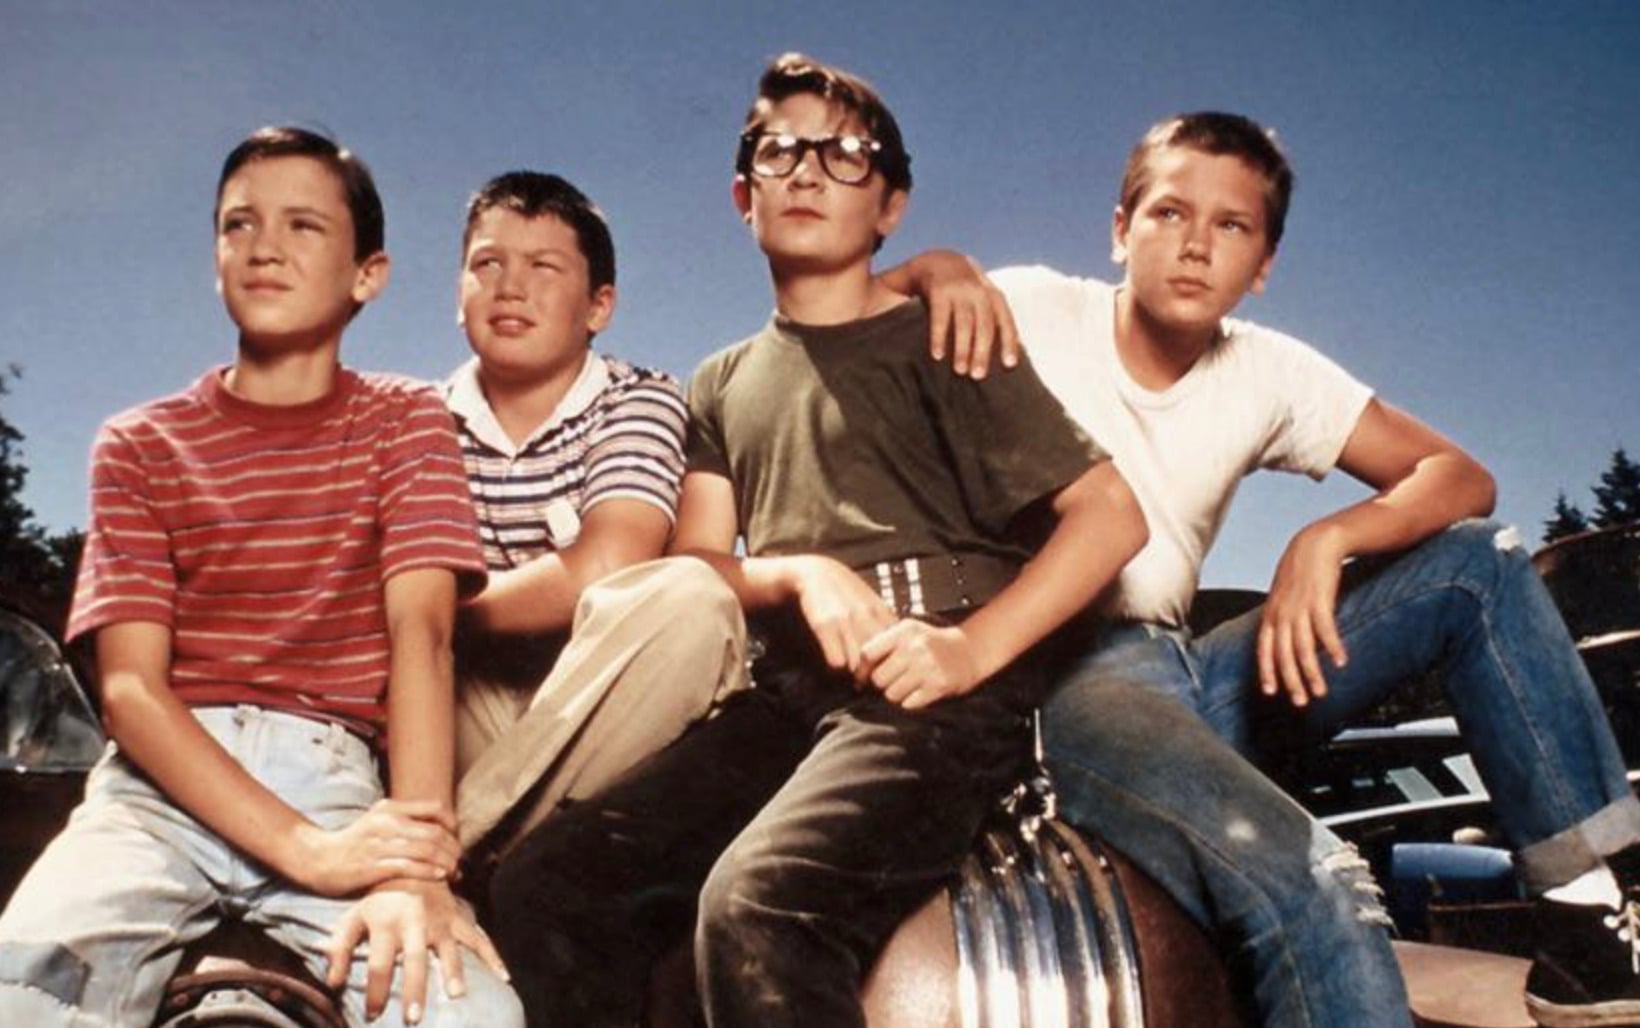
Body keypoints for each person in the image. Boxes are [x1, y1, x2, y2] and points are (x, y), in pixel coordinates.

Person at [900, 111, 1640, 1027]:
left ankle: (1584, 922)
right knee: (1323, 879)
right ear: (1120, 229)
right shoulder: (1037, 305)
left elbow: (1463, 477)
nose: (1195, 246)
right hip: (1068, 680)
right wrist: (935, 268)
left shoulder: (1268, 371)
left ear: (1264, 266)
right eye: (1169, 214)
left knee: (1476, 567)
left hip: (1194, 673)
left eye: (1232, 226)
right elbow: (848, 324)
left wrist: (1326, 540)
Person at [484, 53, 1147, 1027]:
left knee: (757, 905)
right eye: (779, 150)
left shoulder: (942, 332)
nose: (805, 169)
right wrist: (797, 572)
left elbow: (1109, 515)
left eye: (844, 155)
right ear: (741, 195)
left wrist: (967, 650)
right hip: (785, 691)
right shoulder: (718, 382)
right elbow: (702, 560)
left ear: (890, 207)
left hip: (933, 688)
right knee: (548, 880)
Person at [0, 127, 523, 1028]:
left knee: (469, 1016)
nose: (264, 246)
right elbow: (129, 689)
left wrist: (413, 870)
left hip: (335, 778)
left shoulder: (408, 422)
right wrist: (304, 854)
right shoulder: (139, 442)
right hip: (159, 790)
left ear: (369, 274)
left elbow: (424, 638)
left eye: (303, 226)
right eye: (238, 224)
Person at [441, 171, 748, 871]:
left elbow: (609, 562)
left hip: (613, 709)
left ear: (599, 305)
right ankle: (511, 853)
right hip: (475, 712)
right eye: (487, 264)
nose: (510, 287)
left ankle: (446, 853)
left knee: (692, 599)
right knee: (395, 646)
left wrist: (435, 605)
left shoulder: (640, 399)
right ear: (457, 296)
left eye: (544, 267)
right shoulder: (418, 423)